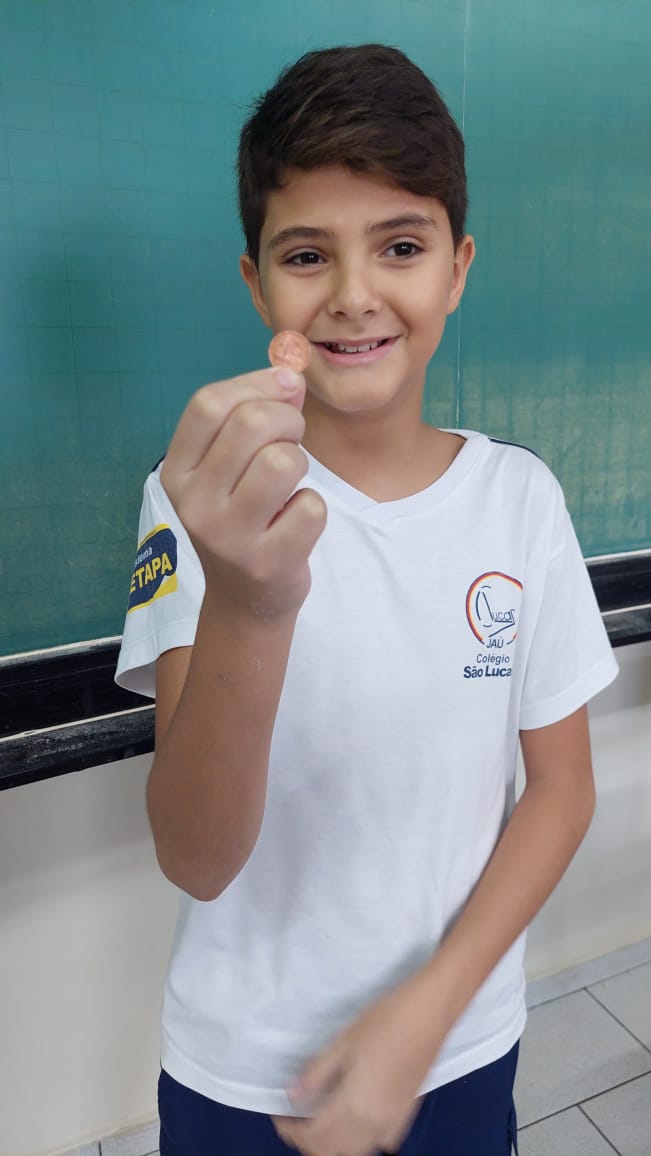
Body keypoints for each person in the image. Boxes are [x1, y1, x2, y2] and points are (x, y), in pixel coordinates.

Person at [115, 44, 618, 1156]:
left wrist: (425, 1013)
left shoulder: (518, 499)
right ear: (256, 282)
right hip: (244, 1073)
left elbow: (561, 789)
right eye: (306, 254)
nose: (352, 294)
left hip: (459, 1043)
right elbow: (196, 855)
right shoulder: (200, 497)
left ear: (457, 268)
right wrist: (251, 606)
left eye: (400, 245)